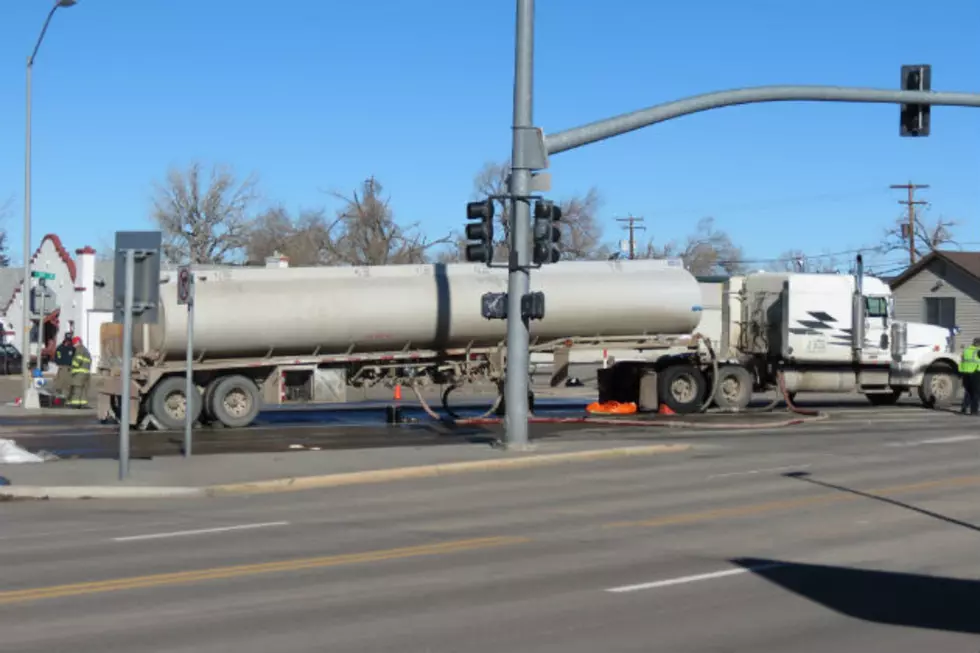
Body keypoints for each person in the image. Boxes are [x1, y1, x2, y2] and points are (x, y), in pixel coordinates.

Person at [67, 336, 92, 408]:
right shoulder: (85, 350)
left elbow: (77, 361)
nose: (73, 345)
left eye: (74, 343)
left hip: (79, 373)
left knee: (77, 389)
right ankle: (83, 404)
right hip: (86, 373)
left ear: (77, 343)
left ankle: (75, 404)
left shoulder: (79, 349)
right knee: (83, 389)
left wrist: (71, 366)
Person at [959, 337, 980, 415]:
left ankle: (963, 409)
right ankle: (974, 410)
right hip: (975, 373)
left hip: (965, 373)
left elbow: (961, 361)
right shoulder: (978, 351)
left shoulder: (966, 350)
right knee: (976, 393)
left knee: (968, 392)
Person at [53, 333, 75, 401]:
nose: (68, 342)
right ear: (65, 339)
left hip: (70, 368)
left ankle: (67, 398)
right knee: (59, 384)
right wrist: (60, 362)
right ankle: (58, 398)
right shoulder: (60, 348)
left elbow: (75, 357)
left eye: (69, 340)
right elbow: (57, 358)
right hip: (62, 368)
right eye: (67, 340)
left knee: (68, 385)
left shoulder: (73, 348)